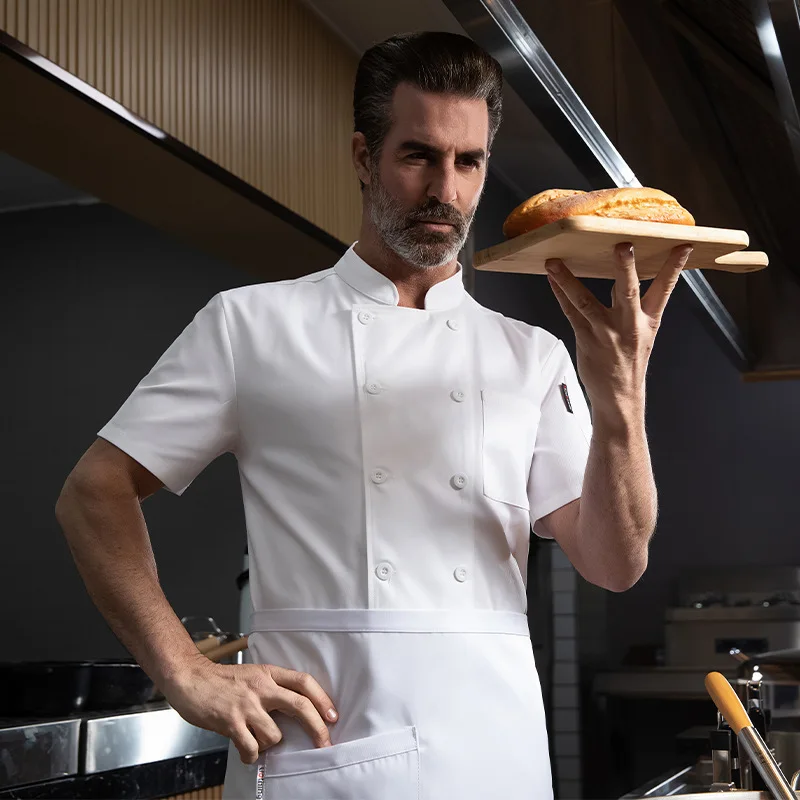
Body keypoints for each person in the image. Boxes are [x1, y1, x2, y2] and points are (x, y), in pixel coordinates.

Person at [55, 31, 692, 800]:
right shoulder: (250, 326)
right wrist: (185, 670)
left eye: (469, 162)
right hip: (332, 754)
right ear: (364, 157)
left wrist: (622, 400)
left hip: (502, 755)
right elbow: (94, 492)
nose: (444, 191)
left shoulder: (533, 356)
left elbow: (616, 563)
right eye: (419, 155)